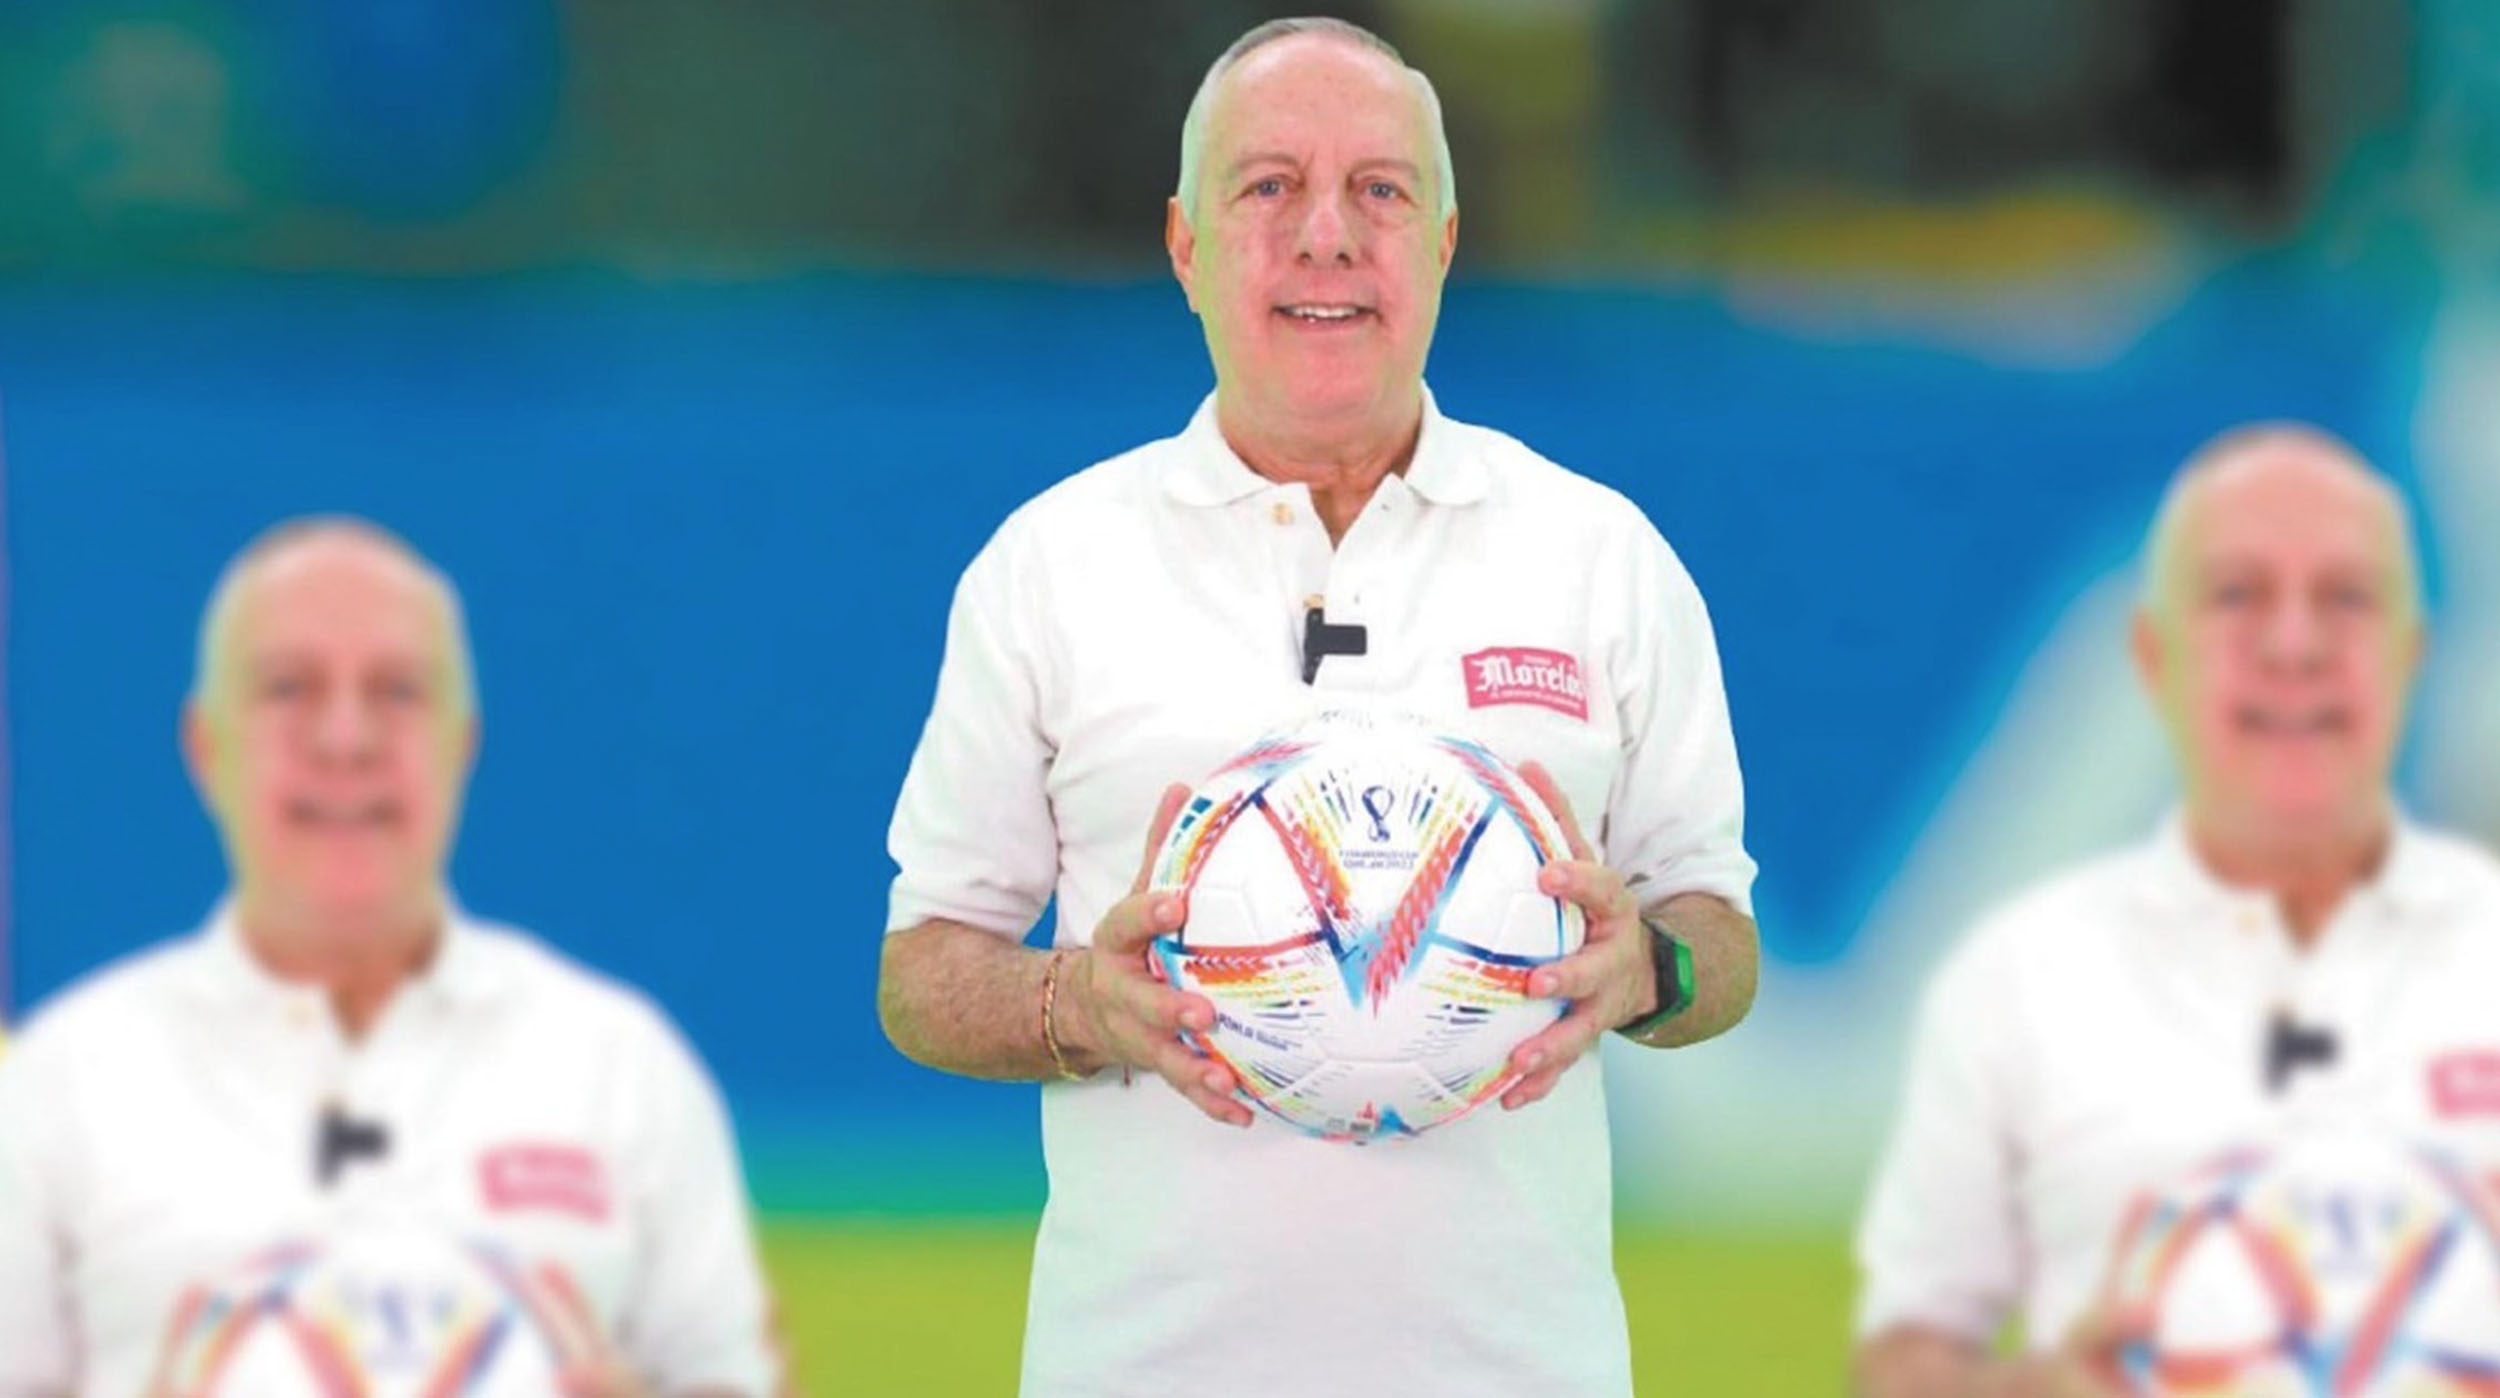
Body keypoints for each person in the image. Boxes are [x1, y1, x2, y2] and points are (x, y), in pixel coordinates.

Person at [877, 17, 1761, 1398]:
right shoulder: (1050, 566)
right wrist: (1081, 1001)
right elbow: (923, 971)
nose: (1328, 236)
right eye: (1269, 186)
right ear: (1185, 246)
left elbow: (1718, 931)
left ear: (1445, 242)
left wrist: (1651, 969)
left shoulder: (1601, 558)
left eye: (1381, 190)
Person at [0, 518, 782, 1398]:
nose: (346, 739)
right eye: (288, 688)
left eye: (398, 691)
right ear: (204, 744)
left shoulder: (622, 1067)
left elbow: (731, 1376)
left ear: (463, 742)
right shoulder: (61, 1084)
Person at [1854, 427, 2500, 1396]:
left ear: (2413, 654)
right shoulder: (2020, 979)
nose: (2294, 646)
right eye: (2237, 595)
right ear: (2151, 654)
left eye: (2346, 597)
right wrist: (2040, 1388)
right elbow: (1901, 1365)